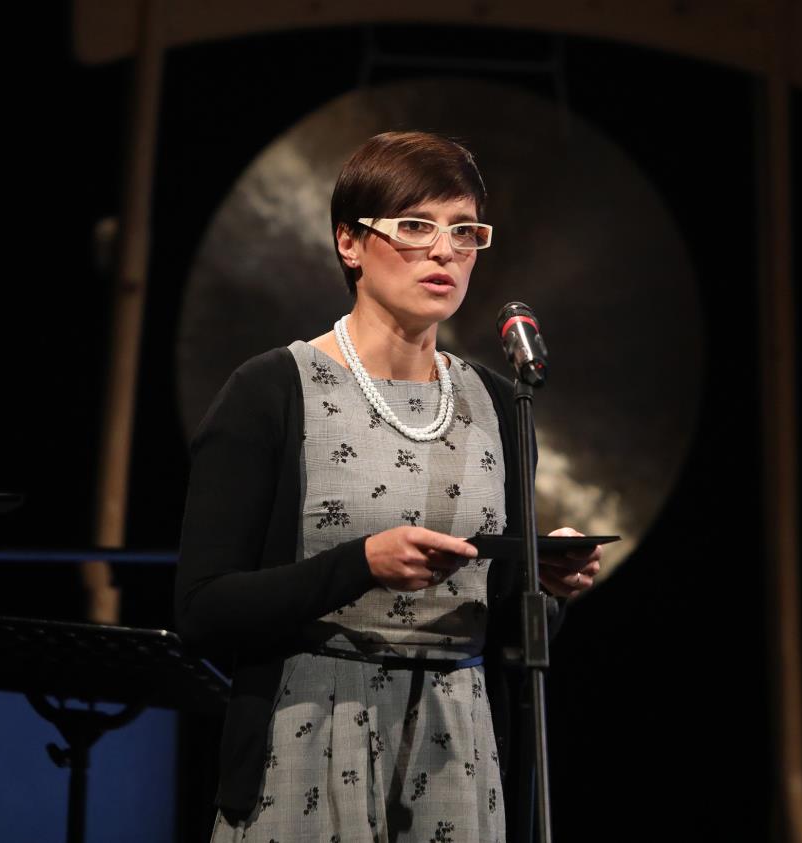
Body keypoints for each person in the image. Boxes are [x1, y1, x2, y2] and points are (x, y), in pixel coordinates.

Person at [175, 131, 601, 843]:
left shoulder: (500, 404)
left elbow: (500, 627)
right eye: (414, 227)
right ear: (350, 242)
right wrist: (360, 564)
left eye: (464, 231)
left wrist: (545, 585)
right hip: (311, 727)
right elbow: (203, 608)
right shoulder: (272, 390)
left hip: (455, 742)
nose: (444, 251)